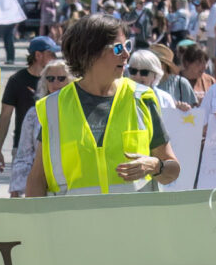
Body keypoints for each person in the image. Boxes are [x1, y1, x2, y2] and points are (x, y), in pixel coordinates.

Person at [25, 15, 180, 196]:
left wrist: (155, 166)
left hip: (134, 222)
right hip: (73, 222)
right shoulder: (54, 107)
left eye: (127, 46)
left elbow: (172, 169)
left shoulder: (141, 98)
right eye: (118, 48)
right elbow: (37, 179)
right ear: (90, 53)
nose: (126, 54)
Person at [0, 36, 59, 165]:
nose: (55, 57)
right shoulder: (16, 80)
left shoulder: (57, 80)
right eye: (50, 54)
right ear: (38, 55)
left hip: (52, 148)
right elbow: (5, 116)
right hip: (22, 149)